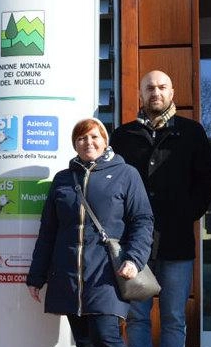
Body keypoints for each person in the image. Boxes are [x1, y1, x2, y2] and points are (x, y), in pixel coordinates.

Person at [110, 70, 211, 347]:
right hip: (134, 244)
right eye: (149, 88)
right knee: (137, 317)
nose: (155, 92)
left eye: (162, 87)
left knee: (173, 317)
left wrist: (186, 215)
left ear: (172, 94)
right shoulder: (123, 135)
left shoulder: (192, 132)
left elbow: (207, 179)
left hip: (176, 240)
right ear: (141, 94)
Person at [26, 118, 154, 347]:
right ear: (75, 144)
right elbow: (48, 231)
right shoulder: (63, 179)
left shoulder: (126, 174)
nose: (88, 142)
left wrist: (134, 258)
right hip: (68, 275)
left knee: (106, 338)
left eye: (94, 136)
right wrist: (36, 276)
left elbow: (142, 220)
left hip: (106, 274)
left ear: (105, 141)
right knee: (84, 341)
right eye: (81, 138)